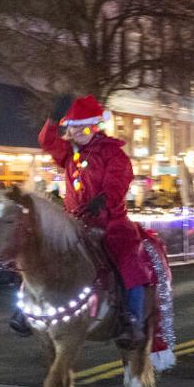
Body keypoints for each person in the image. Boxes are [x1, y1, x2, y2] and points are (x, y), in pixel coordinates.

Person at [39, 96, 155, 348]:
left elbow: (118, 181)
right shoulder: (69, 152)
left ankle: (133, 319)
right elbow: (47, 141)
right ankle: (32, 308)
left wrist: (103, 200)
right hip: (74, 223)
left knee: (129, 262)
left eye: (83, 127)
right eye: (72, 127)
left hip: (110, 224)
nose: (77, 132)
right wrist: (51, 120)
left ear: (95, 126)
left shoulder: (113, 153)